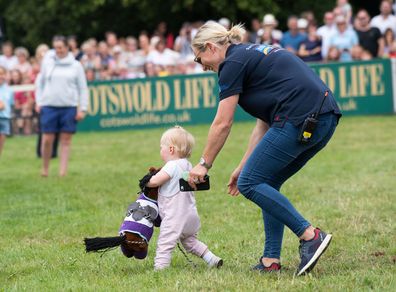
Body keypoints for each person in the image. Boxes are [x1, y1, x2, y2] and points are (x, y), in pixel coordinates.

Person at [190, 21, 341, 275]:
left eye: (199, 58)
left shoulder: (231, 64)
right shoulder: (248, 54)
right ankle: (271, 260)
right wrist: (242, 165)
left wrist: (204, 164)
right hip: (323, 118)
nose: (202, 65)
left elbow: (223, 123)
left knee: (250, 183)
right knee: (262, 180)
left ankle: (310, 235)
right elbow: (264, 121)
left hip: (300, 117)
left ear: (210, 47)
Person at [144, 126, 223, 270]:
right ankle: (211, 258)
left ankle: (160, 268)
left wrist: (146, 181)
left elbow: (156, 181)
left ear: (171, 150)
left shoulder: (171, 166)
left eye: (162, 147)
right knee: (190, 242)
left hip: (175, 216)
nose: (160, 151)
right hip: (191, 215)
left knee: (165, 242)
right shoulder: (188, 165)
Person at [35, 35, 88, 177]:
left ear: (67, 47)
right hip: (48, 105)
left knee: (66, 140)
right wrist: (38, 101)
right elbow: (39, 83)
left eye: (60, 47)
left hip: (68, 106)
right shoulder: (48, 62)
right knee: (47, 139)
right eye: (55, 47)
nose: (58, 50)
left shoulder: (76, 65)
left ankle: (62, 172)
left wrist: (82, 108)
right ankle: (45, 169)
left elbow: (82, 88)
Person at [0, 66, 13, 156]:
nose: (1, 76)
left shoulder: (9, 89)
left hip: (5, 118)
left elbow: (10, 104)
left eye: (2, 74)